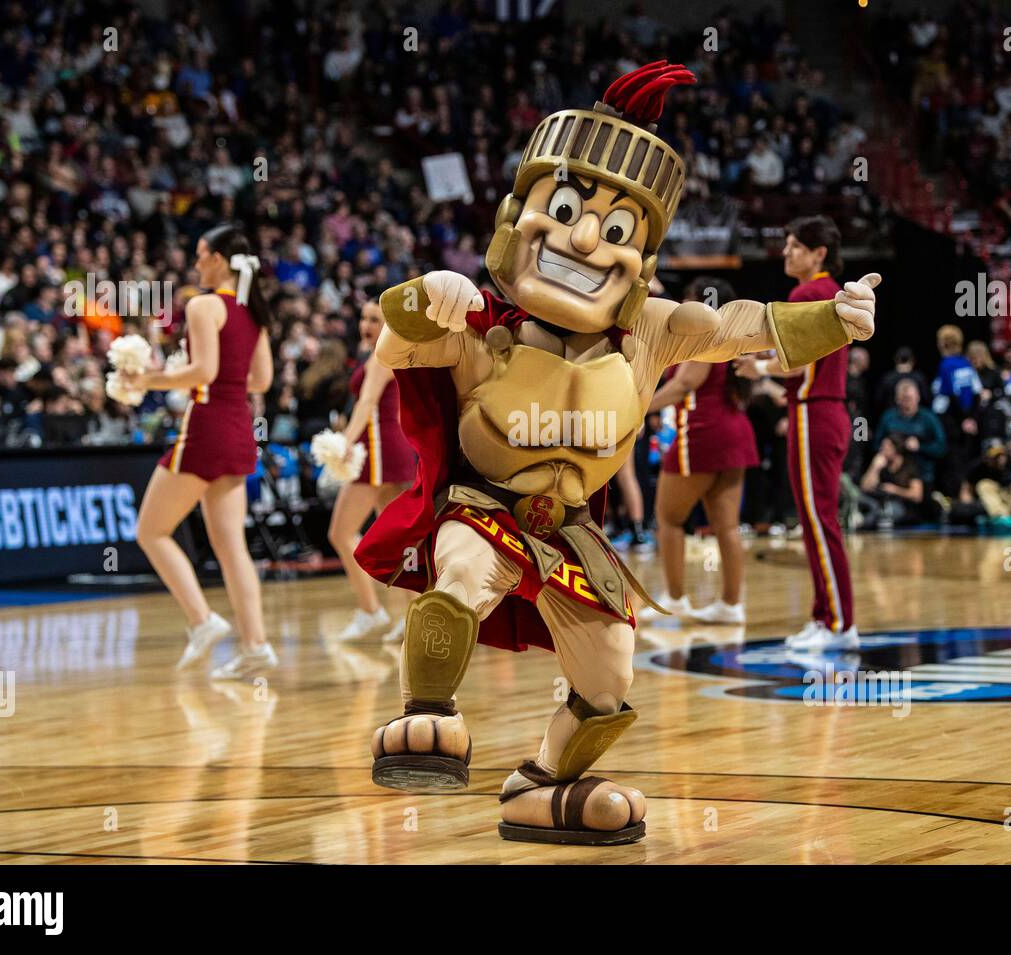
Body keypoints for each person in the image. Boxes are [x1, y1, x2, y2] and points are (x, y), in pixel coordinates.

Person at [353, 62, 880, 845]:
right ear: (515, 216)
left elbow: (740, 326)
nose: (584, 238)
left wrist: (836, 317)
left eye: (617, 228)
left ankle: (541, 785)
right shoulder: (479, 321)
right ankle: (427, 714)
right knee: (460, 572)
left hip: (569, 530)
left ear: (645, 258)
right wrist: (418, 298)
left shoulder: (653, 329)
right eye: (564, 210)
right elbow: (395, 345)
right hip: (485, 508)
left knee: (610, 675)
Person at [125, 223, 278, 680]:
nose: (196, 264)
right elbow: (262, 381)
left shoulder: (203, 304)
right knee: (232, 548)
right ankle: (255, 646)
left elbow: (202, 371)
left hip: (207, 427)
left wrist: (147, 379)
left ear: (217, 259)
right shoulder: (253, 309)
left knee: (150, 532)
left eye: (200, 254)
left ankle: (202, 619)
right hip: (238, 428)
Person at [737, 215, 857, 649]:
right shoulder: (833, 293)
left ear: (818, 253)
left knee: (819, 520)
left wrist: (759, 368)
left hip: (813, 411)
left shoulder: (808, 293)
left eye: (794, 246)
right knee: (816, 519)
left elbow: (799, 364)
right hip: (826, 411)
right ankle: (825, 616)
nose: (785, 253)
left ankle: (839, 624)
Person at [647, 277, 758, 625]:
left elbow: (684, 385)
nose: (682, 305)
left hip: (701, 434)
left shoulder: (704, 335)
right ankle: (731, 604)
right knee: (726, 526)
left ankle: (676, 598)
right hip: (734, 432)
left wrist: (639, 406)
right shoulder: (732, 335)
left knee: (668, 519)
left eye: (689, 300)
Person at [327, 299, 417, 641]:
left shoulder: (383, 354)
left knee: (340, 532)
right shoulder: (385, 353)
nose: (366, 324)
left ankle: (370, 610)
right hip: (388, 449)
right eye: (363, 317)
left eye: (375, 319)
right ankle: (411, 616)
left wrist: (344, 444)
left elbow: (366, 403)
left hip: (378, 450)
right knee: (399, 540)